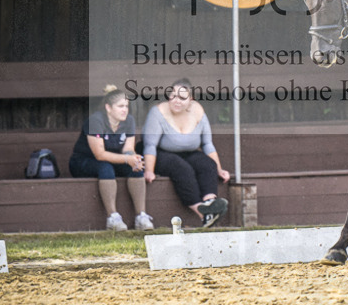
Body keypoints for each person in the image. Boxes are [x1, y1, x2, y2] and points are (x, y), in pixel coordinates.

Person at [142, 79, 231, 228]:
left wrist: (219, 169)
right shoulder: (158, 112)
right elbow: (150, 145)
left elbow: (207, 144)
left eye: (182, 98)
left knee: (208, 164)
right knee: (182, 167)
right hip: (161, 153)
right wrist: (149, 171)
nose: (176, 101)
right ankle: (203, 213)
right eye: (173, 96)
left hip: (189, 152)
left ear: (191, 100)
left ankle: (210, 204)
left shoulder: (198, 112)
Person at [69, 85, 154, 231]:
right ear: (108, 108)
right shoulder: (96, 121)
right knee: (105, 168)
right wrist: (127, 159)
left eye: (126, 106)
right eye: (120, 106)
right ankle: (112, 218)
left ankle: (141, 216)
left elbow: (127, 149)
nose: (125, 110)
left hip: (113, 160)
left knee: (136, 168)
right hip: (83, 161)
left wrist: (133, 158)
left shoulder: (129, 121)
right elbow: (99, 154)